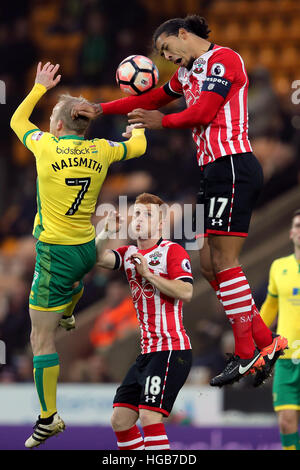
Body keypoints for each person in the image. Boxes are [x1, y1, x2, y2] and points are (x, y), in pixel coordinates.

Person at [71, 14, 287, 387]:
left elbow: (202, 112)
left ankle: (246, 351)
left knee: (224, 261)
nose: (166, 58)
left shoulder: (225, 60)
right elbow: (155, 96)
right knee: (208, 265)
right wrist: (100, 109)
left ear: (182, 35)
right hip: (213, 172)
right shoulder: (187, 73)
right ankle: (267, 342)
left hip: (233, 164)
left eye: (166, 49)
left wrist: (160, 123)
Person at [10, 61, 147, 448]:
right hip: (88, 249)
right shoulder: (101, 150)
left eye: (52, 115)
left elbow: (17, 121)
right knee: (68, 299)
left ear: (57, 125)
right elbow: (138, 146)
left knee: (40, 337)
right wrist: (136, 120)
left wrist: (38, 88)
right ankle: (70, 307)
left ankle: (48, 418)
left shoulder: (45, 147)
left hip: (56, 254)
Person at [96, 192, 193, 450]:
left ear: (160, 224)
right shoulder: (128, 253)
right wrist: (104, 233)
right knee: (120, 420)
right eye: (137, 213)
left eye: (147, 215)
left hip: (172, 349)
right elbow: (96, 258)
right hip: (146, 353)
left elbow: (186, 291)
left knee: (150, 415)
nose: (139, 219)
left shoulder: (171, 250)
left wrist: (148, 274)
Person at [259, 209, 300, 450]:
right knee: (286, 421)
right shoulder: (278, 267)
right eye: (297, 225)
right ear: (291, 233)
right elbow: (270, 306)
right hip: (286, 358)